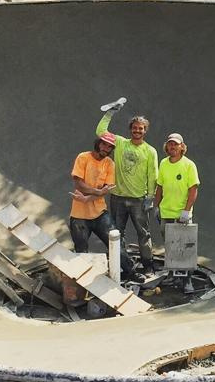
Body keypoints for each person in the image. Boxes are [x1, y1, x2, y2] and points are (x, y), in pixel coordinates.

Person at [98, 99, 158, 274]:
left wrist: (150, 197)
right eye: (135, 127)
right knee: (116, 233)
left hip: (139, 199)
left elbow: (152, 175)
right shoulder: (120, 143)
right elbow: (101, 132)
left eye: (141, 128)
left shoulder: (150, 151)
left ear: (145, 131)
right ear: (130, 129)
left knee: (143, 233)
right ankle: (121, 265)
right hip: (118, 197)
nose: (137, 130)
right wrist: (110, 113)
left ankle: (148, 265)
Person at [69, 131, 134, 277]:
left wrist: (90, 197)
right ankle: (82, 281)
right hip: (79, 215)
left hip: (99, 213)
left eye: (110, 147)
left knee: (116, 244)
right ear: (98, 143)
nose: (106, 148)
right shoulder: (83, 157)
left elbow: (106, 189)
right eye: (104, 144)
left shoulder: (109, 164)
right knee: (81, 250)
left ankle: (130, 272)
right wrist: (97, 192)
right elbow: (79, 184)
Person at [155, 133, 199, 226]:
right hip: (165, 215)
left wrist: (186, 212)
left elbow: (193, 190)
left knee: (183, 241)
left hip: (181, 217)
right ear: (166, 146)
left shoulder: (189, 165)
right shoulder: (163, 163)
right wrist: (156, 207)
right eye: (170, 144)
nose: (173, 146)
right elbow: (160, 187)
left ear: (182, 147)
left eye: (176, 144)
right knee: (167, 241)